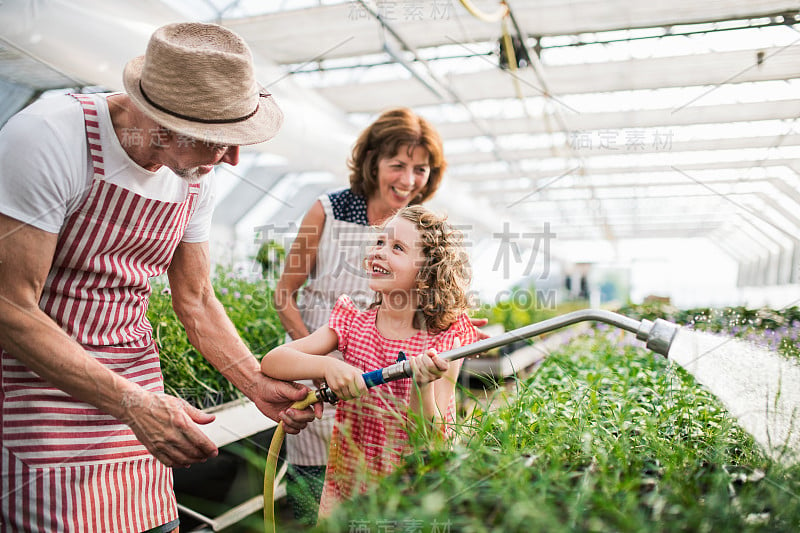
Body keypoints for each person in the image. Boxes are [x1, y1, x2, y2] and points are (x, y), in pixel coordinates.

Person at [0, 22, 320, 532]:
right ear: (160, 120)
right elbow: (11, 307)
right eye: (220, 140)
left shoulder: (193, 175)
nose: (233, 158)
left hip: (142, 390)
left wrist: (254, 382)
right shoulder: (52, 137)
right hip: (42, 391)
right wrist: (129, 402)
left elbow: (195, 299)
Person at [273, 107, 448, 523]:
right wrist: (320, 365)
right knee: (318, 492)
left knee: (380, 498)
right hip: (320, 363)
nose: (408, 181)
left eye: (420, 169)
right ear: (373, 162)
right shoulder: (329, 212)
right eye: (398, 165)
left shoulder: (417, 227)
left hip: (386, 386)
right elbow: (284, 293)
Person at [262, 205, 480, 516]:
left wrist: (422, 386)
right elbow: (273, 361)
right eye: (380, 242)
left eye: (397, 248)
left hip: (413, 497)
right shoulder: (353, 323)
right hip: (347, 491)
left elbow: (432, 438)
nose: (379, 252)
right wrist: (327, 365)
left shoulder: (442, 341)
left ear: (427, 273)